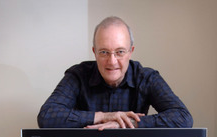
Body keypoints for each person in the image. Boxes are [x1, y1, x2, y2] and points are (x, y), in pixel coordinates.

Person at [37, 16, 193, 129]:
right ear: (94, 52)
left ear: (131, 52)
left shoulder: (146, 78)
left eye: (120, 52)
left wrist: (127, 123)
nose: (112, 61)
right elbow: (46, 117)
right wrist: (103, 116)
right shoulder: (78, 75)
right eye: (104, 52)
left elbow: (183, 118)